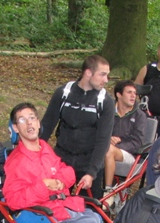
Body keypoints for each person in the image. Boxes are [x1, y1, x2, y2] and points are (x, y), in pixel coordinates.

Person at [3, 103, 105, 223]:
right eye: (22, 120)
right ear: (15, 128)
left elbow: (66, 170)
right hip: (37, 212)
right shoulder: (17, 161)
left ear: (39, 123)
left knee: (94, 218)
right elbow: (13, 200)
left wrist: (59, 180)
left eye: (32, 118)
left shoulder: (44, 148)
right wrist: (43, 186)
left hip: (60, 203)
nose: (29, 124)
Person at [40, 55, 115, 199]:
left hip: (88, 163)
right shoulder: (63, 93)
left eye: (107, 75)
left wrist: (91, 173)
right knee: (56, 206)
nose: (106, 80)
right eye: (102, 74)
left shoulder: (105, 102)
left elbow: (103, 141)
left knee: (89, 210)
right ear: (88, 73)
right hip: (61, 160)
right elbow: (46, 127)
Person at [103, 80, 147, 204]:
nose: (133, 96)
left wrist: (117, 145)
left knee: (109, 151)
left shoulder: (139, 115)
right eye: (129, 92)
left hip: (130, 154)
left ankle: (108, 192)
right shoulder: (108, 111)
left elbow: (138, 142)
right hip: (105, 148)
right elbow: (98, 130)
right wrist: (108, 139)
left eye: (135, 93)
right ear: (119, 94)